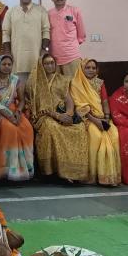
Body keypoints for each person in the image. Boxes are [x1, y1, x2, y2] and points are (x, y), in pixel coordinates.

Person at [25, 54, 89, 182]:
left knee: (80, 128)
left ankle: (72, 172)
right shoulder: (34, 83)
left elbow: (69, 100)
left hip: (61, 114)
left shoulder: (62, 80)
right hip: (43, 116)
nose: (49, 66)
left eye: (52, 63)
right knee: (52, 128)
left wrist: (68, 115)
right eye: (46, 63)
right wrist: (55, 115)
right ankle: (53, 171)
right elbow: (34, 105)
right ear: (41, 66)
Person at [70, 59, 121, 185]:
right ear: (82, 68)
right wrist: (95, 121)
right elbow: (79, 106)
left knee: (114, 134)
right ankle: (93, 175)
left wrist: (107, 118)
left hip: (102, 117)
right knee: (96, 136)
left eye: (94, 68)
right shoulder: (76, 83)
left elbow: (104, 102)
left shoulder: (100, 82)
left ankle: (110, 176)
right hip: (87, 118)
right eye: (88, 67)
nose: (91, 70)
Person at [0, 54, 34, 181]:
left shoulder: (15, 80)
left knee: (27, 128)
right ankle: (6, 170)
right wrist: (8, 115)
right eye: (4, 64)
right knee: (9, 129)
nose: (7, 67)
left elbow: (22, 100)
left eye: (9, 64)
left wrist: (18, 112)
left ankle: (24, 169)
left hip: (14, 110)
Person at [2, 0, 50, 82]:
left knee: (36, 82)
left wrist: (44, 49)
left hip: (36, 53)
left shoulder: (41, 10)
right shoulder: (11, 11)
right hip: (16, 55)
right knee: (18, 84)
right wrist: (7, 52)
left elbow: (46, 31)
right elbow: (6, 32)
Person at [48, 0, 86, 77]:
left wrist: (70, 46)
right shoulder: (48, 14)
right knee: (57, 87)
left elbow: (81, 34)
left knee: (73, 86)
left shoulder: (75, 11)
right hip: (54, 56)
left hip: (71, 56)